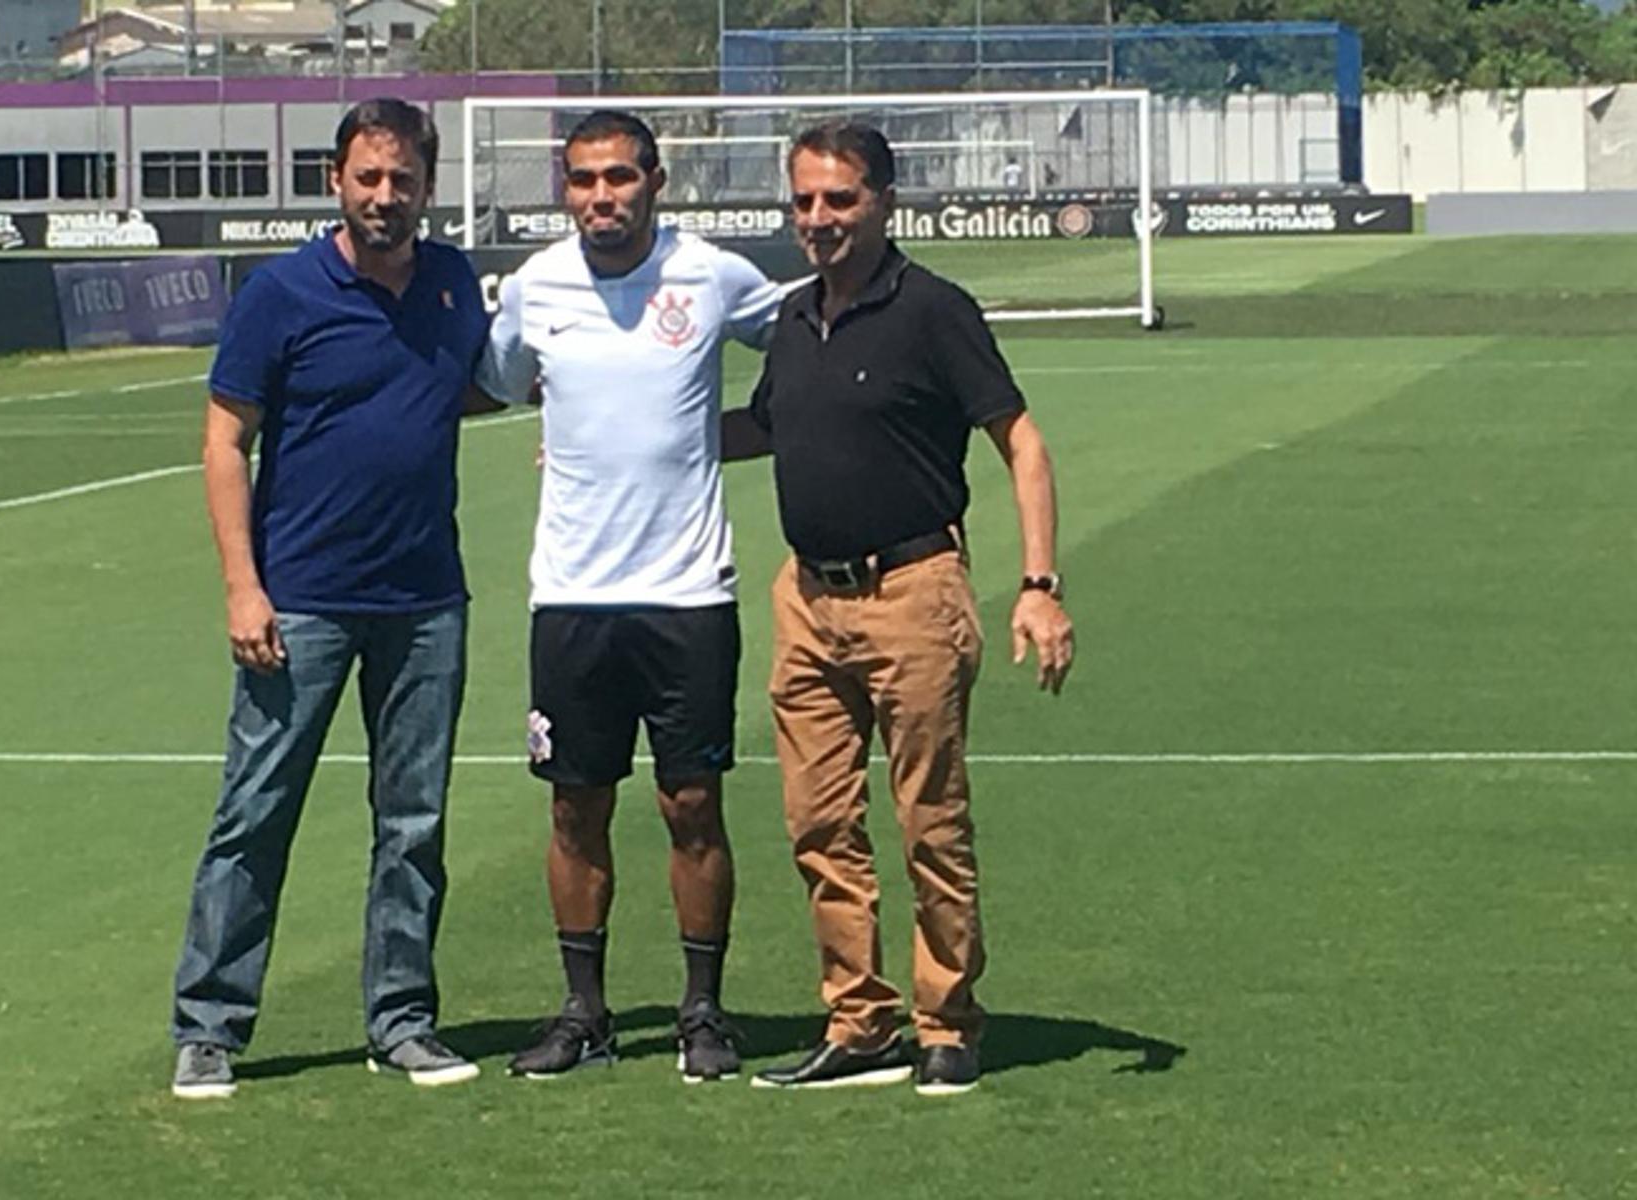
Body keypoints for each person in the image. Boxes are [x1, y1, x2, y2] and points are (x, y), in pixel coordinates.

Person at [721, 121, 1075, 1095]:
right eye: (803, 202)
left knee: (929, 820)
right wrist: (621, 441)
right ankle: (858, 1018)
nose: (819, 219)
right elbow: (766, 425)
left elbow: (1025, 445)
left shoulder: (933, 312)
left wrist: (1039, 587)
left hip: (914, 594)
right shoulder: (794, 320)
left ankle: (947, 1021)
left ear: (883, 201)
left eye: (840, 200)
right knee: (818, 825)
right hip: (807, 599)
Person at [167, 98, 495, 1098]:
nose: (384, 197)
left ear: (428, 190)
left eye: (402, 181)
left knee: (414, 823)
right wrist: (241, 586)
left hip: (426, 599)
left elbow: (470, 388)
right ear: (335, 182)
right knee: (256, 812)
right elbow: (226, 440)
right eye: (368, 178)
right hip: (299, 602)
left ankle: (401, 1020)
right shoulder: (281, 293)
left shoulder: (451, 284)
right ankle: (209, 1026)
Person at [474, 110, 784, 1083]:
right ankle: (586, 1012)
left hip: (689, 594)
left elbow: (805, 346)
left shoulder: (715, 276)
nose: (600, 197)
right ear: (564, 190)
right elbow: (506, 383)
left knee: (691, 803)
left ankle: (702, 1012)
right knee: (575, 808)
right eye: (581, 180)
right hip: (570, 596)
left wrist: (741, 432)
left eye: (617, 177)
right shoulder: (536, 288)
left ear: (658, 180)